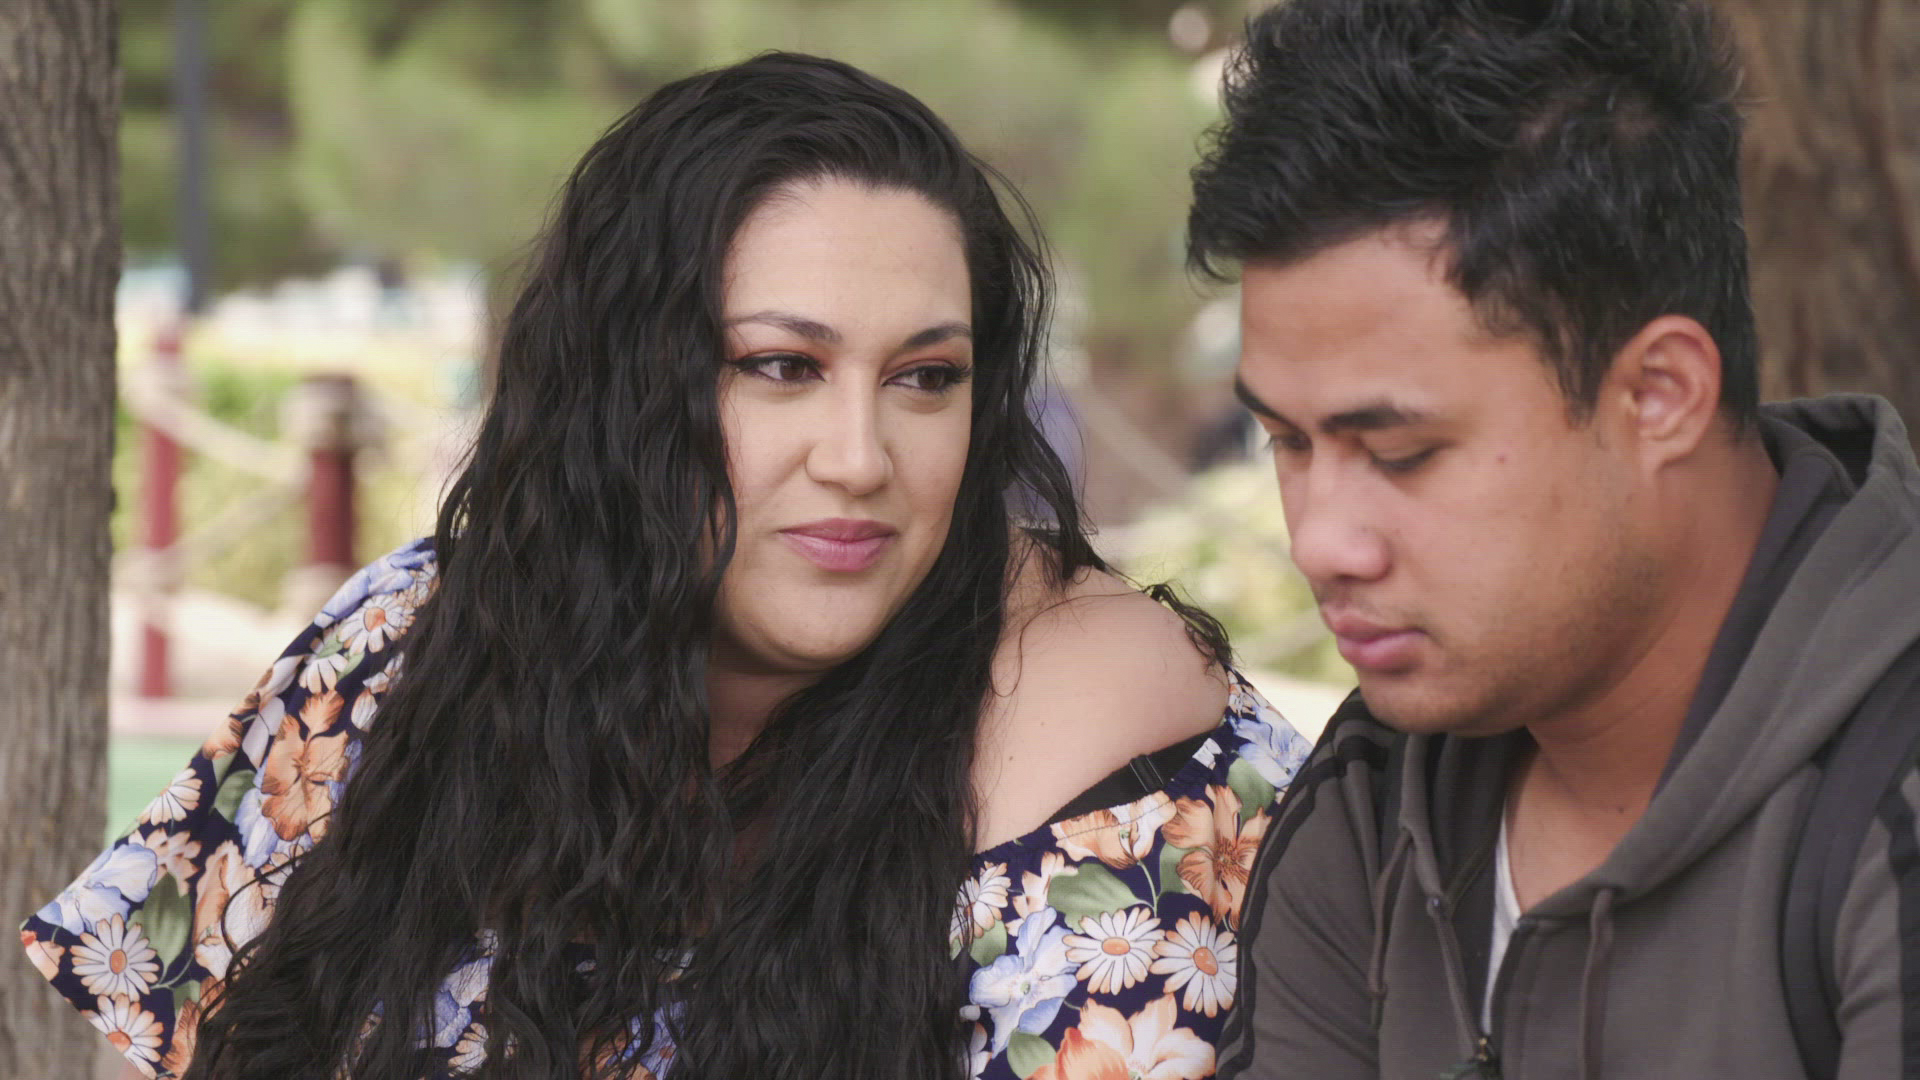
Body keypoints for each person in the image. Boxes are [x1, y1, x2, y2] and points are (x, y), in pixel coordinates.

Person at [23, 53, 1313, 1080]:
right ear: (625, 387)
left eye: (927, 378)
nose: (861, 458)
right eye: (781, 367)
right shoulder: (411, 644)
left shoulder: (1119, 758)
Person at [1185, 1, 1920, 1077]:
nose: (1323, 543)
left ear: (1660, 394)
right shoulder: (1376, 799)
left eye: (1400, 452)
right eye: (1287, 442)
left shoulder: (1885, 806)